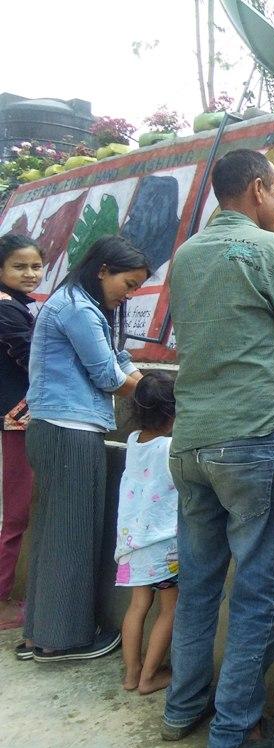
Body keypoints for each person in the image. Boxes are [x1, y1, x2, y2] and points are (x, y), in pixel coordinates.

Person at [164, 148, 274, 748]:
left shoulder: (185, 256)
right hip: (250, 438)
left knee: (199, 584)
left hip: (191, 440)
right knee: (259, 594)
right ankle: (234, 732)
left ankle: (183, 709)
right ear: (257, 190)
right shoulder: (271, 249)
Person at [21, 235, 148, 662]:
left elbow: (121, 359)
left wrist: (151, 384)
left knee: (54, 533)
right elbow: (108, 376)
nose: (129, 294)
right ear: (103, 271)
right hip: (68, 429)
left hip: (58, 428)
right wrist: (161, 397)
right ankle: (63, 640)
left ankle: (40, 633)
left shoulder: (84, 305)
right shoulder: (77, 309)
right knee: (72, 534)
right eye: (127, 284)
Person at [115, 371, 179, 695]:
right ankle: (150, 677)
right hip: (164, 544)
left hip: (132, 542)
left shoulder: (132, 441)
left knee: (138, 605)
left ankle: (131, 674)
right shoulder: (170, 447)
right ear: (171, 414)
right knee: (170, 608)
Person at [0, 234, 43, 631]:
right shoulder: (7, 310)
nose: (30, 273)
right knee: (14, 515)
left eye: (35, 265)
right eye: (19, 266)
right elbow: (31, 357)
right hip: (17, 418)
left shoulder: (19, 307)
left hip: (19, 416)